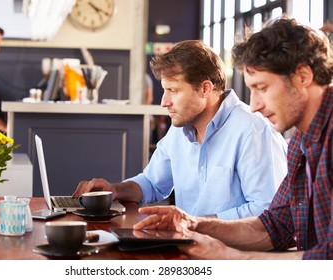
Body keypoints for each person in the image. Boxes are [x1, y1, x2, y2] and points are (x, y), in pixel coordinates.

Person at [134, 17, 333, 260]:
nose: (254, 105)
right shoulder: (301, 142)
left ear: (302, 76)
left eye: (262, 88)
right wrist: (192, 223)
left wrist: (233, 258)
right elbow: (275, 225)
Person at [73, 40, 288, 219]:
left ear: (205, 88)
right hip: (190, 246)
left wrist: (193, 224)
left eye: (173, 91)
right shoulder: (181, 128)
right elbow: (152, 183)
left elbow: (267, 210)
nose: (164, 102)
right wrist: (115, 190)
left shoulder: (254, 130)